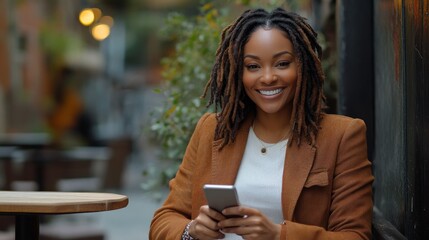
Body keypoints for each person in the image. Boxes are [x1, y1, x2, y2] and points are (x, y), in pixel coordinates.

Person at [149, 7, 373, 240]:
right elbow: (164, 219)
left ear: (304, 66)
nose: (267, 77)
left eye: (282, 63)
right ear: (239, 72)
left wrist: (278, 235)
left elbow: (355, 236)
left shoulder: (342, 135)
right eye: (253, 66)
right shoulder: (213, 130)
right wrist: (191, 230)